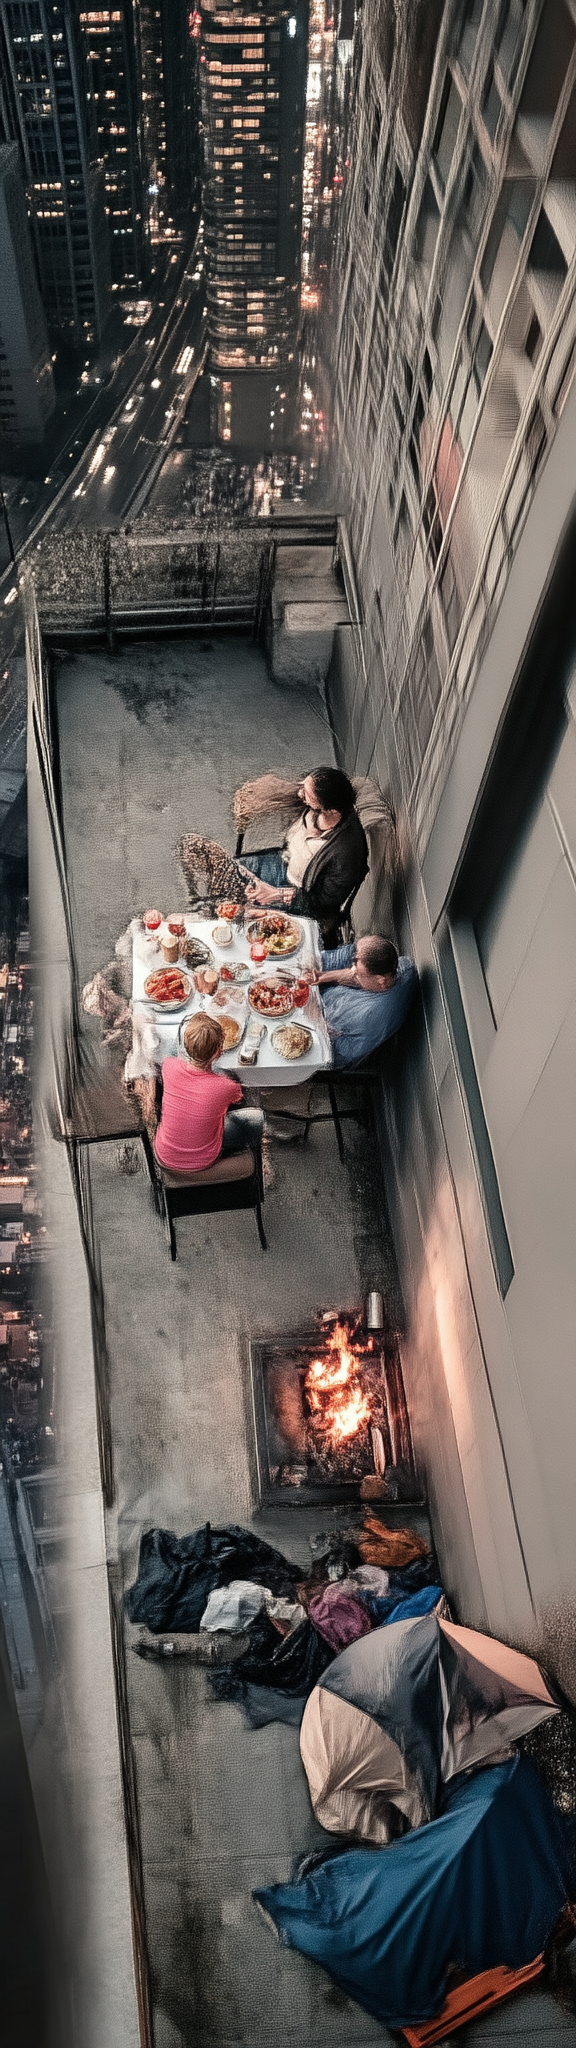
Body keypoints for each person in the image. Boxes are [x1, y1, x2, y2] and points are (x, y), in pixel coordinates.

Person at [239, 767, 368, 923]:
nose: (300, 794)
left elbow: (322, 903)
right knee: (231, 869)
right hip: (283, 862)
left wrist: (276, 894)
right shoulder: (316, 804)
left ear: (330, 809)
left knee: (243, 916)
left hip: (299, 894)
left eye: (306, 794)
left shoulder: (346, 853)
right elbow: (290, 792)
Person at [154, 1014, 263, 1174]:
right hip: (203, 1161)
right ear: (218, 1052)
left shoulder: (169, 1065)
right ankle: (257, 1164)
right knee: (256, 1119)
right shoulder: (226, 1086)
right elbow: (238, 1098)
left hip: (163, 1155)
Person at [315, 936, 418, 1068]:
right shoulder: (399, 968)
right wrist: (333, 975)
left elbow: (337, 1056)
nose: (352, 972)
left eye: (358, 973)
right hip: (320, 998)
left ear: (380, 980)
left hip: (319, 1027)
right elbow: (344, 956)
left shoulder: (371, 1016)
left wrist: (317, 1022)